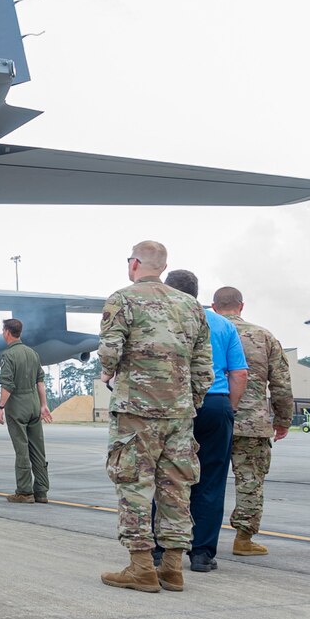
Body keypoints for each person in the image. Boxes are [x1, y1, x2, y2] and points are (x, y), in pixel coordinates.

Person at [98, 240, 212, 593]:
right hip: (179, 413)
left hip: (136, 411)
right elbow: (204, 366)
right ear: (162, 266)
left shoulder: (123, 299)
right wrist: (188, 401)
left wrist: (108, 374)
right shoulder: (190, 305)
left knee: (134, 485)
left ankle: (142, 566)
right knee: (176, 488)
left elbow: (110, 351)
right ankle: (174, 567)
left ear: (134, 263)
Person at [164, 269, 246, 572]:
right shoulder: (223, 324)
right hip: (215, 403)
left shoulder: (165, 321)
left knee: (166, 478)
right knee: (211, 480)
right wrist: (229, 409)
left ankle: (160, 550)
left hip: (173, 404)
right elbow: (239, 373)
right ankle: (201, 553)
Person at [213, 287, 291, 557]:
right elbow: (281, 383)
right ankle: (243, 539)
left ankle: (194, 536)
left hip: (212, 416)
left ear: (213, 306)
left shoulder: (207, 330)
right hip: (252, 423)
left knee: (201, 479)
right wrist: (283, 420)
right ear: (241, 306)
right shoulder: (263, 336)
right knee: (250, 481)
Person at [0, 318, 49, 503]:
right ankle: (41, 492)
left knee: (22, 449)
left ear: (8, 332)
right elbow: (40, 382)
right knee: (38, 449)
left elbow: (7, 385)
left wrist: (0, 407)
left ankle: (25, 492)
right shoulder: (32, 353)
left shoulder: (8, 355)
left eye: (3, 330)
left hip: (17, 406)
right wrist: (44, 405)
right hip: (34, 404)